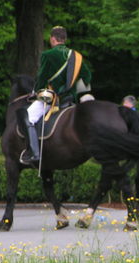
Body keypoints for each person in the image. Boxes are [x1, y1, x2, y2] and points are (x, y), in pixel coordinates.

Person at [18, 26, 93, 165]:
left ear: (53, 39)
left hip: (52, 99)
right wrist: (78, 93)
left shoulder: (48, 55)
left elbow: (42, 77)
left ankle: (33, 153)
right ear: (64, 39)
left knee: (27, 116)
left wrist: (36, 92)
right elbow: (87, 77)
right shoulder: (77, 56)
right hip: (71, 99)